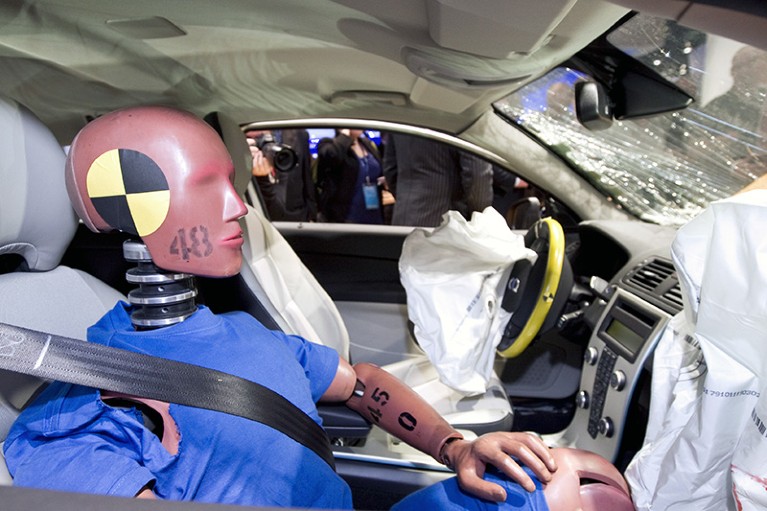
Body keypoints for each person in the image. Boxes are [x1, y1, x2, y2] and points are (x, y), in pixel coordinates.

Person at [3, 106, 557, 509]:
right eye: (204, 185)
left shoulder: (243, 332)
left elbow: (359, 383)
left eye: (230, 182)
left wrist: (455, 446)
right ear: (125, 201)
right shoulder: (81, 411)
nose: (238, 206)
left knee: (570, 481)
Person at [382, 132, 494, 227]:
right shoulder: (463, 113)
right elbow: (477, 175)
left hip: (402, 218)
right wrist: (480, 217)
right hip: (444, 224)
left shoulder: (404, 113)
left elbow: (390, 169)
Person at [315, 129, 392, 224]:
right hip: (347, 216)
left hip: (374, 212)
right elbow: (331, 156)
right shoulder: (330, 144)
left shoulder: (367, 144)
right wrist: (344, 137)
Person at [246, 128, 318, 221]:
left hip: (297, 219)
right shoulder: (234, 138)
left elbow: (307, 178)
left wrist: (312, 216)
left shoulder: (299, 134)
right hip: (257, 217)